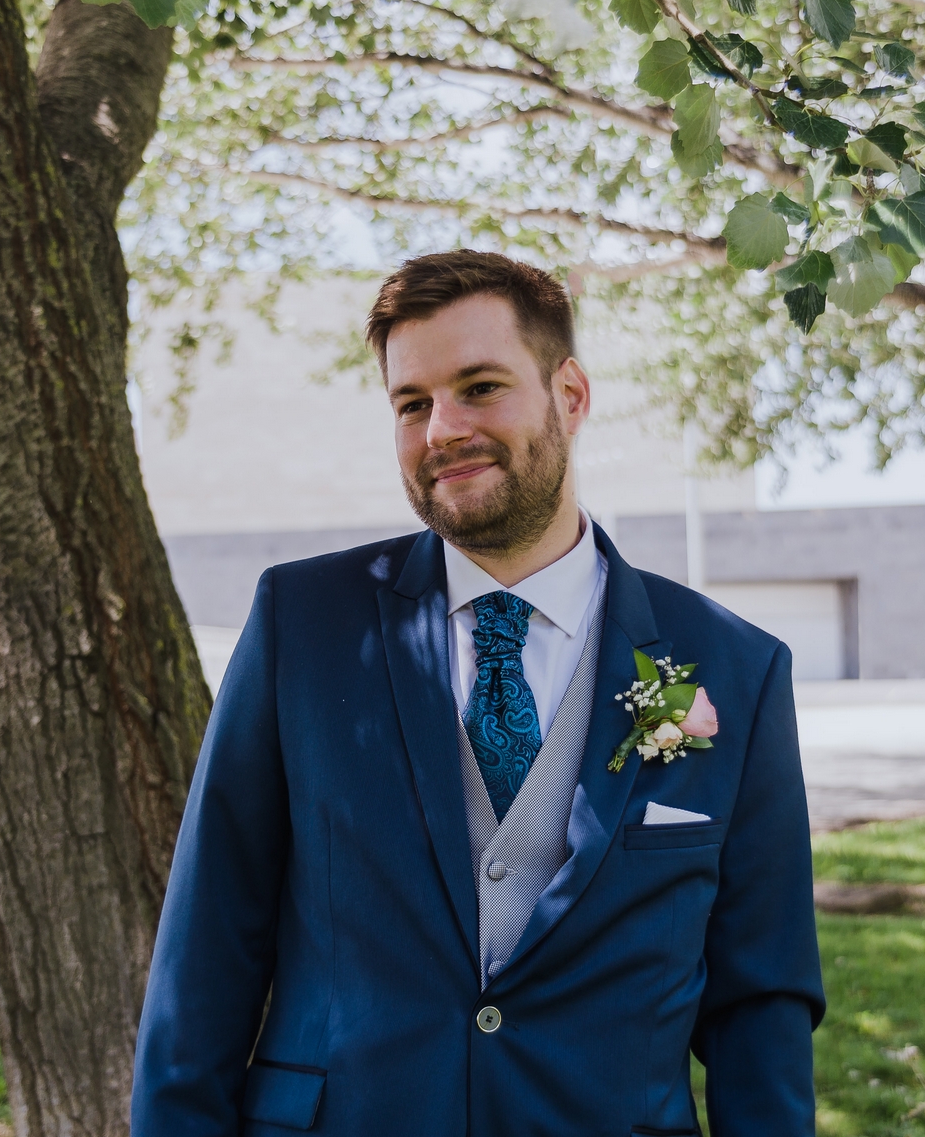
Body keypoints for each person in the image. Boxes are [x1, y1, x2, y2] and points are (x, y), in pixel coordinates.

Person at [132, 251, 823, 1136]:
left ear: (569, 395)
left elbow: (759, 1003)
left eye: (480, 386)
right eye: (411, 403)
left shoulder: (735, 668)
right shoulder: (303, 624)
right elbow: (207, 955)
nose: (441, 429)